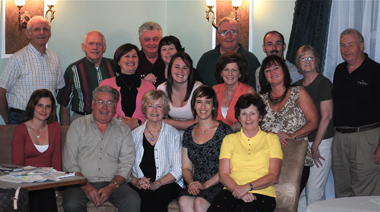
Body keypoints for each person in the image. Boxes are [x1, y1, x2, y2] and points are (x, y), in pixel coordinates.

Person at [62, 85, 140, 212]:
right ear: (93, 104)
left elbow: (127, 164)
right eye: (100, 102)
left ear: (115, 107)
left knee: (133, 200)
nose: (105, 107)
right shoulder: (77, 126)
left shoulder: (123, 130)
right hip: (79, 183)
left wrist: (112, 186)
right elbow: (69, 163)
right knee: (71, 204)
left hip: (114, 183)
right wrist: (85, 186)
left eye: (110, 103)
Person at [207, 94, 283, 212]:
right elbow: (223, 174)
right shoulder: (229, 140)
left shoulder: (272, 140)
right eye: (243, 114)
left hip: (262, 194)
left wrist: (247, 187)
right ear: (238, 117)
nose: (248, 118)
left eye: (252, 113)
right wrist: (238, 191)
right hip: (231, 191)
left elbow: (273, 176)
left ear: (260, 117)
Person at [258, 55, 318, 194]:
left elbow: (314, 121)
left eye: (276, 68)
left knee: (289, 200)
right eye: (267, 70)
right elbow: (252, 127)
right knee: (269, 201)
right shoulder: (260, 99)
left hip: (295, 156)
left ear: (284, 71)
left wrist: (292, 135)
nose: (272, 72)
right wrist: (269, 135)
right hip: (267, 159)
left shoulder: (299, 92)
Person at [332, 28, 380, 197]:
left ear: (362, 46)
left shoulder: (375, 71)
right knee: (341, 190)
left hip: (366, 138)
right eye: (342, 45)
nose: (346, 49)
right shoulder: (339, 70)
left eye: (351, 45)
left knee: (365, 193)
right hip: (339, 138)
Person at [0, 16, 65, 125]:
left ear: (50, 34)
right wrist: (8, 120)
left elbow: (56, 89)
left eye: (45, 29)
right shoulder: (17, 59)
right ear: (28, 34)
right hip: (22, 117)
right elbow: (1, 92)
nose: (42, 32)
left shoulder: (54, 58)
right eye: (37, 29)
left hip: (49, 117)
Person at [178, 85, 232, 212]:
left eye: (207, 102)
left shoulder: (224, 131)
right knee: (183, 200)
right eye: (199, 102)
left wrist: (205, 185)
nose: (203, 107)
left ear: (213, 106)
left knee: (199, 202)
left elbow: (229, 168)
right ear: (194, 106)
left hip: (219, 182)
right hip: (196, 183)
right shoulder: (188, 132)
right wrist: (192, 183)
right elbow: (186, 167)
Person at [294, 45, 334, 211]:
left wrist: (316, 145)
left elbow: (327, 116)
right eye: (303, 58)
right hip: (302, 143)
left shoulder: (323, 83)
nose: (307, 61)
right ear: (298, 63)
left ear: (317, 60)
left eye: (311, 58)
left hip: (320, 142)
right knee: (301, 191)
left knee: (314, 190)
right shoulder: (295, 86)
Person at [130, 90, 183, 212]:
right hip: (141, 182)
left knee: (159, 200)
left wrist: (156, 184)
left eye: (159, 106)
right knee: (143, 199)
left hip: (167, 183)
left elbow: (178, 169)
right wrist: (137, 181)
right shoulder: (134, 135)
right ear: (144, 109)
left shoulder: (173, 133)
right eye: (150, 106)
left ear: (164, 110)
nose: (154, 110)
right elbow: (126, 166)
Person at [11, 89, 61, 212]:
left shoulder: (55, 127)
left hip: (48, 181)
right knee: (35, 196)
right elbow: (17, 164)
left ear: (52, 109)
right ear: (33, 106)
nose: (44, 110)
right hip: (27, 180)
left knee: (46, 192)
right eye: (40, 105)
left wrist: (57, 187)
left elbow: (57, 159)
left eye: (48, 106)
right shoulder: (20, 130)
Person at [57, 31, 116, 125]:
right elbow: (64, 105)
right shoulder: (73, 70)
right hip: (81, 120)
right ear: (83, 47)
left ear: (104, 47)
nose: (95, 47)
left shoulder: (114, 67)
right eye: (91, 44)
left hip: (110, 120)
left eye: (99, 44)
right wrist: (66, 130)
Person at [100, 43, 155, 130]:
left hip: (141, 135)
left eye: (134, 56)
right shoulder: (106, 85)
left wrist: (139, 121)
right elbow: (100, 111)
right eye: (127, 56)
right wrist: (120, 120)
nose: (131, 59)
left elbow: (155, 112)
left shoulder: (149, 87)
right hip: (112, 133)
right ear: (118, 61)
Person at [196, 17, 260, 88]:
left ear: (239, 35)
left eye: (233, 32)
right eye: (224, 32)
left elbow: (259, 89)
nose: (229, 36)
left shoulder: (251, 60)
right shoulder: (206, 59)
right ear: (218, 36)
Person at [157, 52, 202, 136]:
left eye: (185, 68)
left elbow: (199, 123)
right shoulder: (162, 89)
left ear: (190, 71)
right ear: (170, 69)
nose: (180, 71)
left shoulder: (198, 89)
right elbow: (158, 118)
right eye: (177, 67)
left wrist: (167, 121)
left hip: (195, 136)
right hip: (170, 136)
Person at [213, 53, 256, 133]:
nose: (230, 74)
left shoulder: (248, 92)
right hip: (215, 137)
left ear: (240, 73)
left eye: (234, 70)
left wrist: (229, 129)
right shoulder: (214, 90)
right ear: (221, 73)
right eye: (226, 70)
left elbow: (252, 118)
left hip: (240, 137)